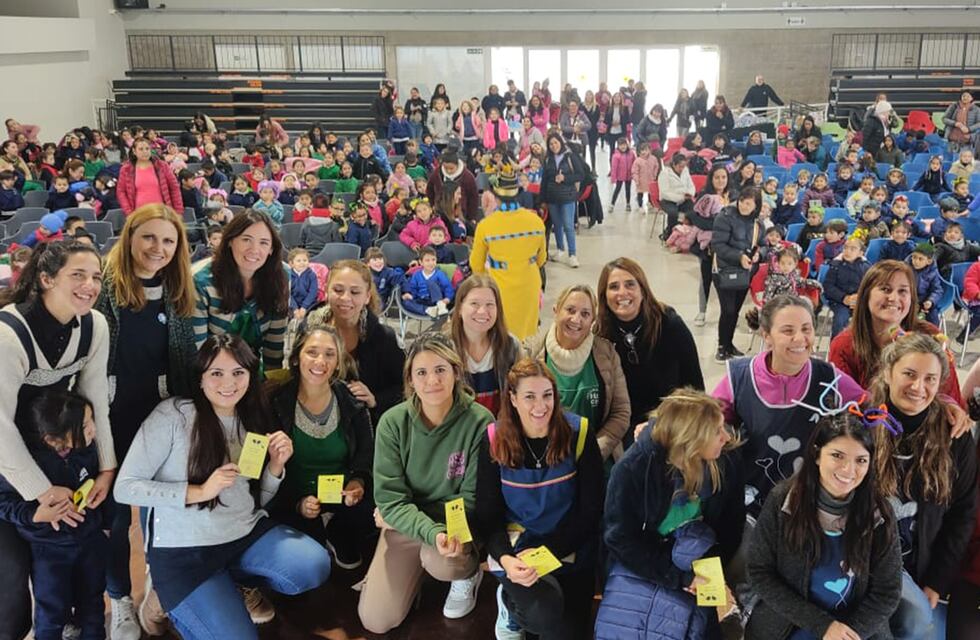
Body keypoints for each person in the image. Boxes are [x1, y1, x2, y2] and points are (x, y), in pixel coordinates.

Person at [113, 334, 331, 639]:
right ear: (200, 378)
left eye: (238, 373)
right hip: (184, 553)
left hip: (242, 535)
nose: (228, 383)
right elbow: (124, 488)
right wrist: (199, 491)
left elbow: (257, 500)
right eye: (216, 373)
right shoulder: (174, 414)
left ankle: (231, 584)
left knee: (313, 564)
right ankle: (162, 599)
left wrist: (276, 467)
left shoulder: (252, 418)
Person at [0, 240, 117, 640]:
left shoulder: (95, 325)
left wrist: (105, 468)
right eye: (77, 275)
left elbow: (96, 398)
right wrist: (43, 493)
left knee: (79, 558)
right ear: (46, 278)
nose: (90, 285)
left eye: (96, 277)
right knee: (12, 578)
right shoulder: (8, 332)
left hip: (55, 454)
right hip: (7, 462)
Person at [92, 203, 198, 635]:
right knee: (116, 519)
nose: (158, 248)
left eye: (168, 240)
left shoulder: (176, 292)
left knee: (162, 509)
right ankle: (119, 596)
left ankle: (159, 583)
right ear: (130, 237)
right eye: (149, 237)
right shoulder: (103, 289)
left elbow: (185, 363)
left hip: (159, 418)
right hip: (109, 418)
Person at [357, 333, 492, 634]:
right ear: (411, 380)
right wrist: (418, 526)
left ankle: (468, 573)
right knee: (376, 621)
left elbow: (472, 498)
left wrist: (429, 530)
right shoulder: (393, 423)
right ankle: (410, 573)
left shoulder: (480, 422)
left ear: (456, 372)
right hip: (408, 525)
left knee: (442, 563)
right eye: (421, 372)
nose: (432, 380)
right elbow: (391, 499)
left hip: (454, 526)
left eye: (440, 370)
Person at [597, 389, 744, 639]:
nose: (725, 437)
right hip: (646, 562)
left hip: (699, 557)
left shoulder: (726, 459)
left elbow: (731, 525)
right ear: (691, 440)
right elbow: (619, 539)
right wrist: (680, 578)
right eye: (716, 431)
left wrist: (707, 570)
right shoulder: (632, 470)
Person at [475, 358, 602, 640]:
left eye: (547, 395)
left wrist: (546, 552)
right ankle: (509, 603)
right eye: (529, 396)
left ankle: (522, 604)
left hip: (569, 544)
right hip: (518, 548)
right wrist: (506, 559)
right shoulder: (494, 439)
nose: (540, 406)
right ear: (513, 399)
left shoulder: (578, 433)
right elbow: (488, 515)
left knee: (569, 632)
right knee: (543, 616)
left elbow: (589, 511)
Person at [746, 411, 902, 640]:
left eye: (861, 460)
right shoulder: (782, 500)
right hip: (792, 622)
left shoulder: (879, 513)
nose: (849, 470)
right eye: (837, 455)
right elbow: (759, 572)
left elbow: (887, 591)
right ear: (817, 455)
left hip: (855, 627)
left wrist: (849, 634)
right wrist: (823, 625)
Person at [871, 333, 978, 639]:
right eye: (909, 374)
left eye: (930, 378)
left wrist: (937, 581)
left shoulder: (954, 435)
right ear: (889, 371)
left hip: (921, 571)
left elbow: (962, 513)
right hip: (863, 567)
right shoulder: (860, 425)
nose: (919, 387)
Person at [0, 390, 110, 640]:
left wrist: (102, 521)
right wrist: (34, 515)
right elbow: (4, 502)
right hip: (48, 551)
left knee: (93, 603)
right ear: (53, 440)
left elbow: (96, 483)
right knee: (51, 612)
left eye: (91, 420)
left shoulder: (88, 451)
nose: (93, 429)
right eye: (84, 425)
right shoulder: (23, 465)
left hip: (90, 542)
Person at [268, 325, 375, 569]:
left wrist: (358, 481)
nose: (320, 361)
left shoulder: (352, 402)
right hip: (295, 500)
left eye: (329, 354)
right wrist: (297, 503)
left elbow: (367, 452)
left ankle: (338, 530)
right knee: (309, 565)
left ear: (338, 362)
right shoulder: (276, 404)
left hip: (344, 498)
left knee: (374, 509)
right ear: (296, 357)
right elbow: (267, 470)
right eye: (312, 352)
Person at [829, 260, 966, 405]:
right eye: (885, 289)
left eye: (903, 291)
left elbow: (950, 395)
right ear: (866, 295)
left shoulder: (930, 335)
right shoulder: (843, 345)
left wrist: (951, 407)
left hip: (927, 423)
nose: (893, 298)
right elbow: (840, 406)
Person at [596, 257, 704, 439]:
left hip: (670, 423)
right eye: (614, 287)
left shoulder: (670, 325)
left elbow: (695, 388)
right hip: (621, 427)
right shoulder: (600, 335)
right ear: (604, 297)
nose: (622, 293)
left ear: (643, 290)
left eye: (630, 284)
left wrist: (663, 423)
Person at [526, 285, 630, 461]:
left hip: (597, 458)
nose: (576, 319)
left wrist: (593, 452)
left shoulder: (607, 354)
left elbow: (621, 412)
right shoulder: (530, 354)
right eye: (570, 310)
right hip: (547, 460)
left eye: (585, 314)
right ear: (556, 310)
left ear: (593, 321)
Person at [307, 259, 404, 424]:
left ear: (367, 296)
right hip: (312, 419)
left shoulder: (384, 338)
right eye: (338, 290)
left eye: (355, 292)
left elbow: (404, 387)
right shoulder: (308, 330)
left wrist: (375, 399)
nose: (345, 298)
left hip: (363, 428)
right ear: (326, 290)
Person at [193, 210, 289, 373]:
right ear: (230, 241)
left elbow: (274, 347)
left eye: (264, 243)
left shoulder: (280, 277)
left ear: (272, 249)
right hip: (212, 372)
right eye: (246, 240)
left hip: (252, 370)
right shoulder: (202, 281)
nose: (254, 250)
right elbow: (198, 352)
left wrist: (271, 387)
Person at [446, 275, 522, 416]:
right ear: (460, 308)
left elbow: (522, 392)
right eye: (474, 303)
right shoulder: (443, 349)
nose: (482, 311)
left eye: (490, 305)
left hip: (499, 430)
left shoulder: (511, 346)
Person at [711, 186, 764, 362]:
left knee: (735, 311)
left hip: (745, 272)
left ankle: (729, 344)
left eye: (749, 204)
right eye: (742, 201)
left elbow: (763, 244)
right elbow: (718, 245)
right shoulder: (724, 217)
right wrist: (739, 256)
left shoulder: (758, 223)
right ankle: (721, 346)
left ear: (756, 206)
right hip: (724, 270)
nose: (744, 206)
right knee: (727, 310)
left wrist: (759, 254)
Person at [541, 133, 586, 268]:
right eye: (551, 144)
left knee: (568, 226)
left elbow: (581, 175)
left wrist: (565, 178)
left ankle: (572, 254)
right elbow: (544, 180)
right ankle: (560, 249)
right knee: (557, 225)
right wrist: (542, 199)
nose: (554, 146)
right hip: (552, 198)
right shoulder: (548, 160)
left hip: (568, 197)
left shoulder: (570, 157)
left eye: (556, 142)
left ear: (561, 142)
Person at [116, 137, 183, 215]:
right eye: (141, 149)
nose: (145, 152)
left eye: (147, 149)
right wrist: (129, 212)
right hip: (138, 215)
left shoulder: (162, 165)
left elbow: (174, 187)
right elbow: (121, 192)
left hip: (162, 213)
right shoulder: (126, 169)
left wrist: (178, 211)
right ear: (134, 151)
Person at [426, 150, 480, 223]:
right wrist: (432, 204)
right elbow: (429, 189)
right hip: (441, 211)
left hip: (460, 213)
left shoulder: (467, 176)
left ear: (457, 165)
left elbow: (473, 197)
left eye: (451, 168)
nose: (448, 171)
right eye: (446, 168)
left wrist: (472, 217)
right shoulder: (437, 173)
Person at [658, 152, 696, 241]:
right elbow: (664, 193)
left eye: (684, 166)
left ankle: (688, 233)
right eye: (680, 166)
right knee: (673, 213)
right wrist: (681, 197)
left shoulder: (685, 170)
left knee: (693, 211)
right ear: (674, 165)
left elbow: (691, 185)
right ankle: (670, 234)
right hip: (668, 200)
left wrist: (690, 193)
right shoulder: (665, 173)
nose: (682, 169)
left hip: (684, 198)